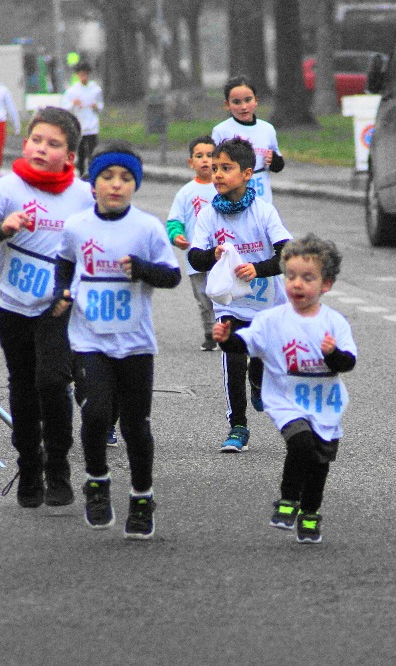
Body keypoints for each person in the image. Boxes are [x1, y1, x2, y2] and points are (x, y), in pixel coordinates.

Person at [0, 107, 94, 509]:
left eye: (53, 144)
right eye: (36, 140)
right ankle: (29, 465)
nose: (41, 148)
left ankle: (58, 467)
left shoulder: (83, 196)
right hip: (15, 308)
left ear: (70, 156)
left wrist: (77, 289)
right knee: (23, 387)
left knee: (52, 383)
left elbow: (101, 241)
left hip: (58, 309)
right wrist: (2, 228)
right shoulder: (5, 188)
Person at [51, 140, 181, 538]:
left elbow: (171, 276)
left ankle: (142, 496)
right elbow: (64, 264)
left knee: (136, 426)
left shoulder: (147, 228)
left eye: (125, 178)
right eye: (107, 176)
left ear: (135, 185)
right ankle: (97, 482)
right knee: (95, 415)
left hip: (135, 343)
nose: (116, 184)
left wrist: (142, 269)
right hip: (89, 339)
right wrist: (61, 293)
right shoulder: (77, 227)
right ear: (93, 184)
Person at [212, 234, 357, 544]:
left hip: (325, 405)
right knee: (301, 444)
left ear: (326, 284)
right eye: (291, 276)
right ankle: (288, 498)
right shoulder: (271, 320)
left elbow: (347, 362)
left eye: (308, 278)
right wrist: (227, 339)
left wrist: (332, 354)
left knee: (319, 464)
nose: (297, 284)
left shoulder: (335, 323)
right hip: (286, 401)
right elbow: (246, 343)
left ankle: (310, 513)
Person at [187, 137, 293, 453]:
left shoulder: (264, 212)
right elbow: (194, 257)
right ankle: (238, 427)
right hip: (230, 306)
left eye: (226, 168)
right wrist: (212, 255)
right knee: (233, 359)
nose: (217, 174)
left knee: (258, 358)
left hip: (267, 306)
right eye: (215, 168)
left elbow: (286, 255)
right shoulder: (209, 215)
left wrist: (257, 269)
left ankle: (259, 380)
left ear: (247, 174)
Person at [166, 136, 218, 351]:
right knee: (203, 295)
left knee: (225, 292)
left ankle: (229, 329)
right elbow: (174, 221)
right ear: (191, 162)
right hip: (196, 255)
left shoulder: (224, 187)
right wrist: (177, 236)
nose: (205, 160)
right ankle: (210, 333)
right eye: (199, 156)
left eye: (210, 155)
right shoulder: (186, 192)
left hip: (221, 252)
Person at [211, 75, 284, 205]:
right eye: (237, 102)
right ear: (227, 105)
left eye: (248, 100)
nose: (244, 107)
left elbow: (278, 164)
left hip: (263, 199)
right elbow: (214, 167)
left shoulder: (267, 129)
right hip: (234, 201)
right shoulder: (221, 131)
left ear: (256, 100)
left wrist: (273, 160)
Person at [60, 61, 103, 177]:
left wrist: (96, 106)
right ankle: (81, 172)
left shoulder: (95, 89)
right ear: (78, 75)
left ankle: (92, 172)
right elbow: (64, 107)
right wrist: (73, 104)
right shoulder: (72, 91)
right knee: (81, 151)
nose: (83, 77)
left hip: (92, 125)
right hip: (79, 125)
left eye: (85, 74)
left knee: (92, 151)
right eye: (81, 74)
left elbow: (100, 106)